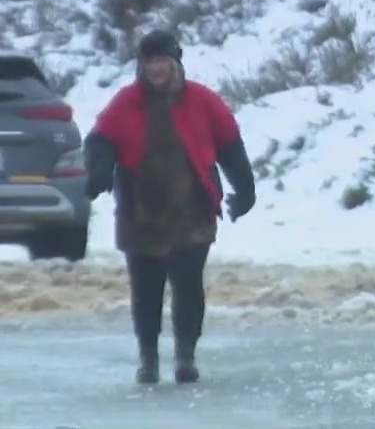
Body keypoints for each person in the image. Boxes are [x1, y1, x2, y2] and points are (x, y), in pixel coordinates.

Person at [83, 29, 256, 385]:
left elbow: (231, 149)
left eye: (162, 60)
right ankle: (148, 358)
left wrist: (245, 191)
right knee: (146, 289)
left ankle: (185, 356)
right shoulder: (126, 102)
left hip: (192, 207)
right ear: (141, 65)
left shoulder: (203, 101)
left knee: (188, 286)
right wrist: (99, 169)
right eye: (149, 62)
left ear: (175, 62)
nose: (156, 68)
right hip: (141, 210)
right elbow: (100, 140)